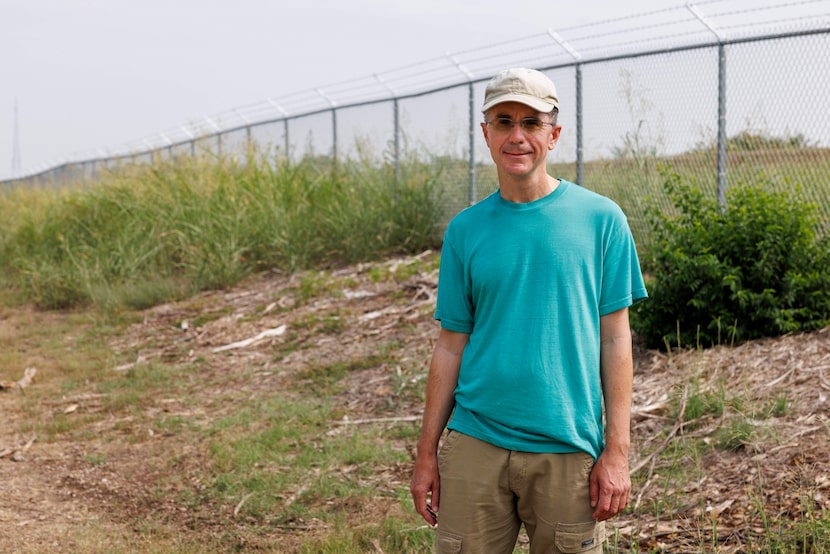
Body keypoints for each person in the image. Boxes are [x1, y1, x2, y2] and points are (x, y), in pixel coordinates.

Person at [410, 67, 648, 553]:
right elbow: (451, 345)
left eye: (531, 122)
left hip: (566, 446)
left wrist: (616, 452)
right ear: (486, 133)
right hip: (476, 441)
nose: (516, 135)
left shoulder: (601, 220)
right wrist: (426, 455)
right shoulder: (466, 230)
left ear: (554, 134)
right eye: (503, 121)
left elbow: (615, 340)